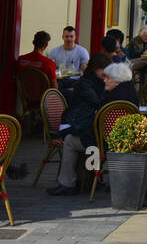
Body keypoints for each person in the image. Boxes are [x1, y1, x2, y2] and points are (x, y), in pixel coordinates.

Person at [47, 53, 111, 196]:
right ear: (96, 69)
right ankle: (89, 179)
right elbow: (98, 103)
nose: (107, 74)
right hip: (72, 124)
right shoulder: (86, 84)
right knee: (86, 138)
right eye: (104, 70)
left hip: (85, 124)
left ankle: (79, 181)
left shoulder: (100, 82)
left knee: (90, 139)